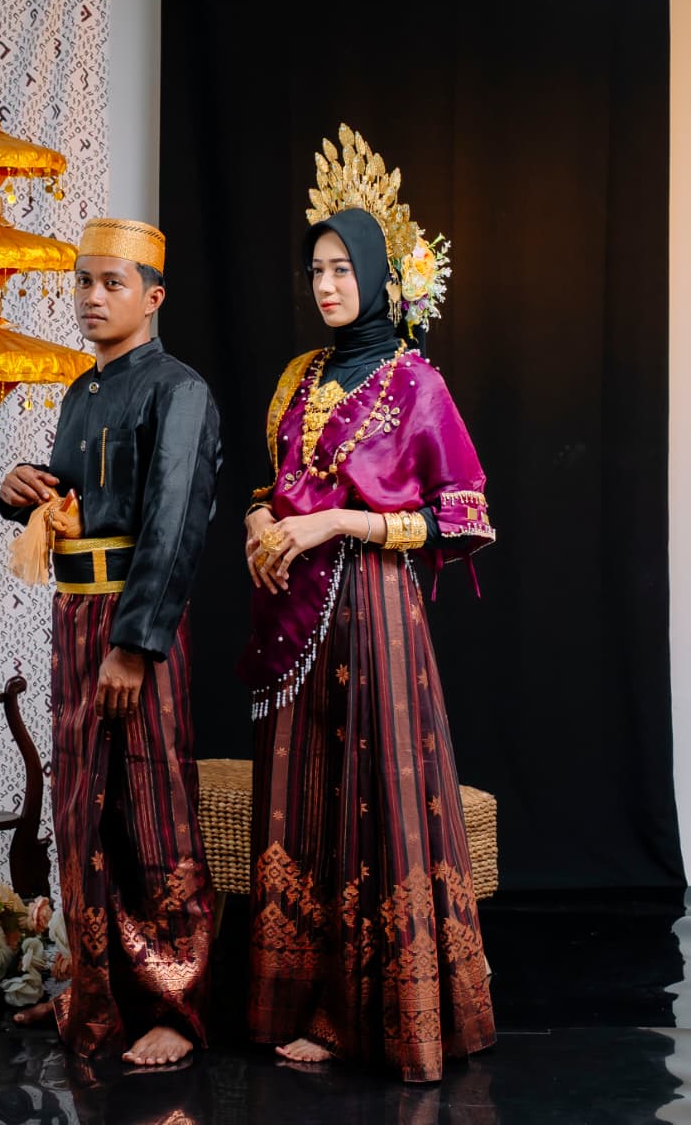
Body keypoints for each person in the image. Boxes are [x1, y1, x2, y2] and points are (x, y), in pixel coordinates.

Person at [238, 125, 497, 1082]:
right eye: (315, 270)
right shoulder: (296, 379)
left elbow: (462, 516)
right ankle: (295, 998)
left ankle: (369, 1017)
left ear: (381, 276)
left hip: (377, 618)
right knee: (303, 796)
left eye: (343, 269)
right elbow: (269, 485)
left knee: (369, 801)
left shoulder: (415, 385)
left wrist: (340, 522)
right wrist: (259, 527)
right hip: (293, 617)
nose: (325, 286)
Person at [0, 216, 221, 1066]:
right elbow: (76, 502)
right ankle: (93, 991)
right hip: (74, 621)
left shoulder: (179, 390)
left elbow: (174, 523)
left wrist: (135, 645)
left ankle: (177, 1006)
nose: (92, 297)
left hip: (136, 625)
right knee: (81, 805)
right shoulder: (81, 393)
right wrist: (22, 490)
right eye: (83, 281)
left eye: (112, 283)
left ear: (152, 297)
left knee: (152, 808)